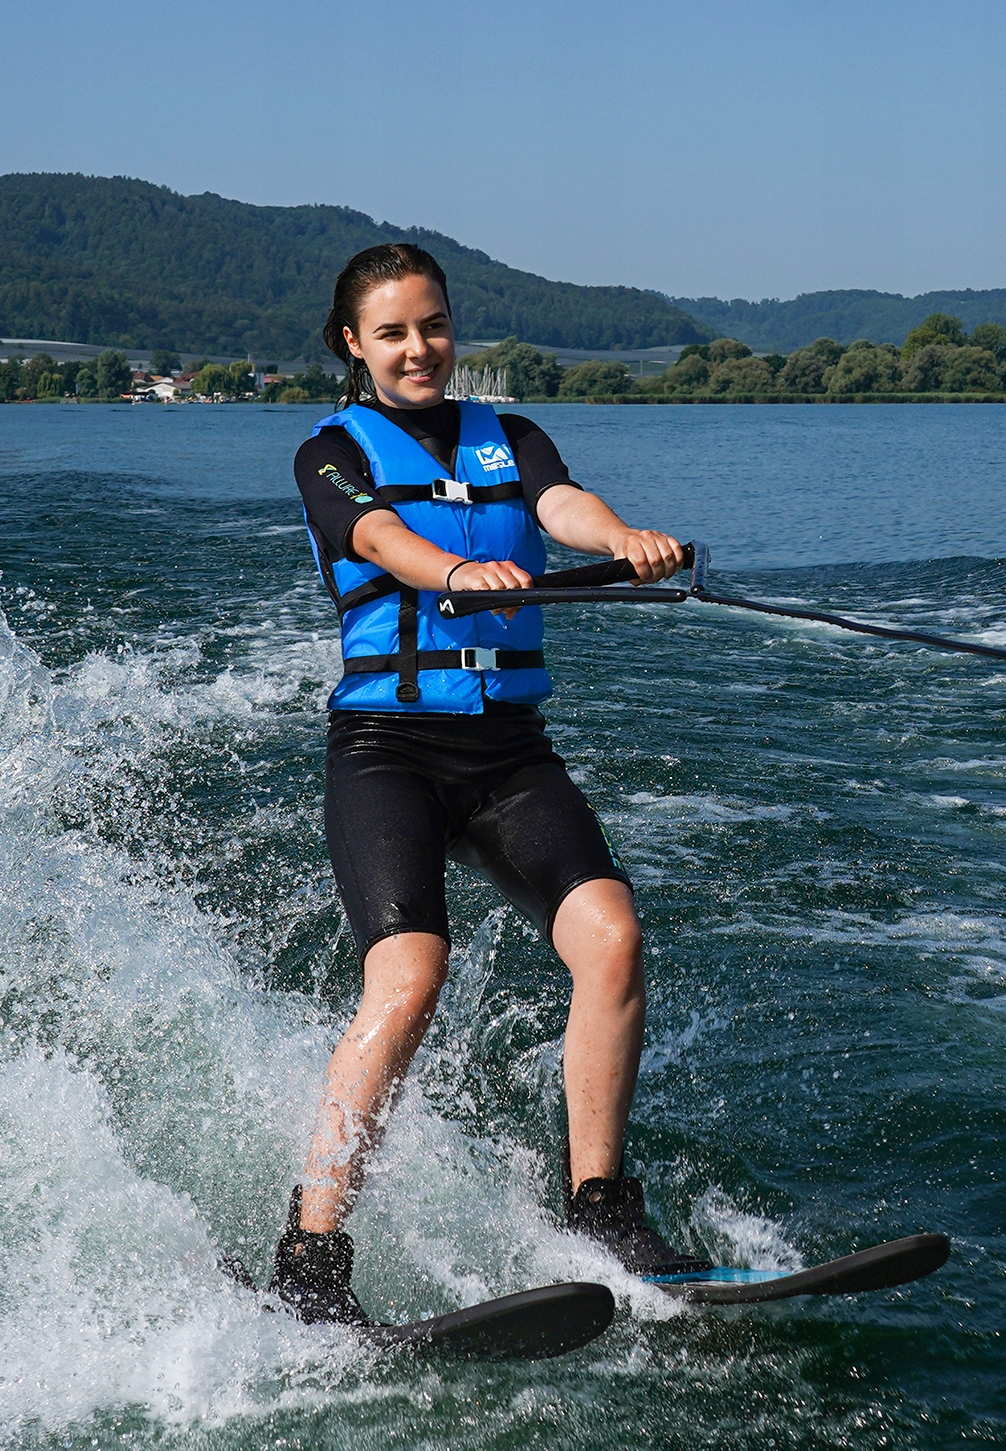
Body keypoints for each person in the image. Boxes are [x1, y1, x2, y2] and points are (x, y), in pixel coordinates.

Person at [272, 242, 710, 1324]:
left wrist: (623, 540)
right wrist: (456, 569)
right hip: (387, 753)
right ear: (353, 345)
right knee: (410, 978)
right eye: (392, 333)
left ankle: (598, 1202)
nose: (418, 349)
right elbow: (375, 535)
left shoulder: (510, 437)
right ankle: (312, 1252)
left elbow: (561, 505)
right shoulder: (329, 453)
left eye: (433, 325)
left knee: (611, 936)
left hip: (508, 751)